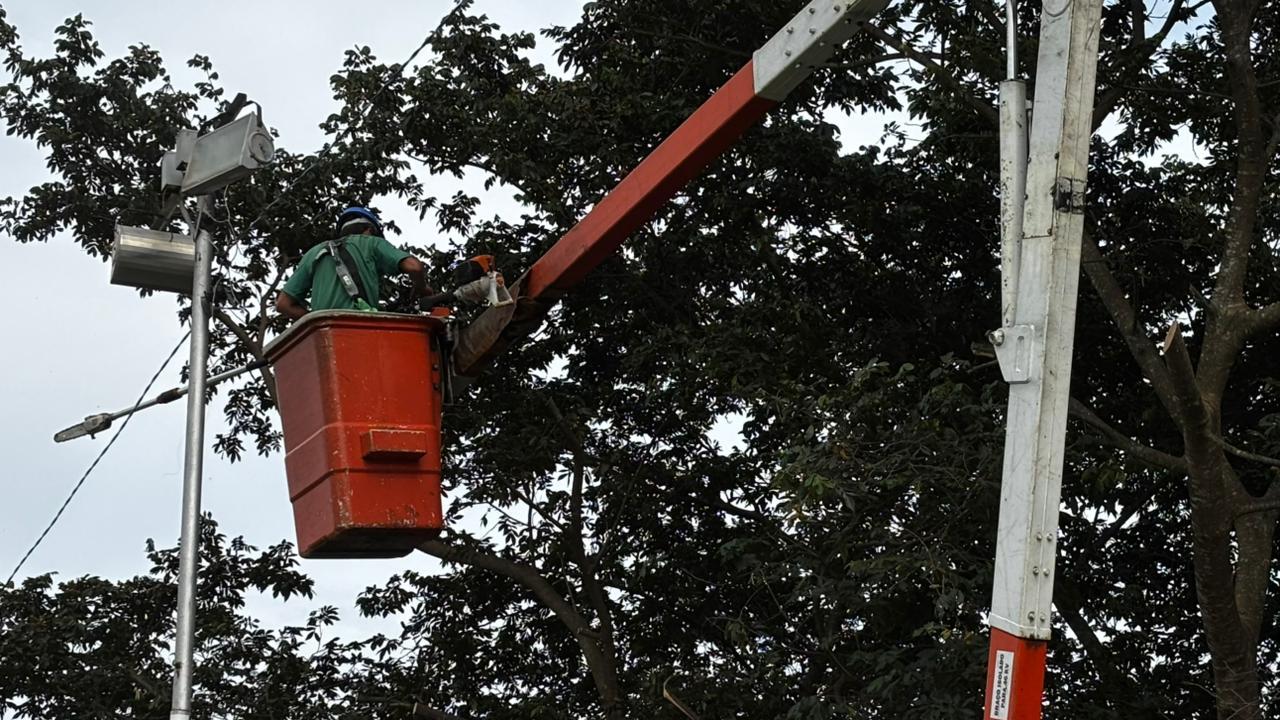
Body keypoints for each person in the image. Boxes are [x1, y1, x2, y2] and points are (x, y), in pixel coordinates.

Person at [276, 207, 431, 319]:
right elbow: (414, 267)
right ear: (369, 230)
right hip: (360, 329)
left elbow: (283, 304)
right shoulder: (371, 242)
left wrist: (318, 320)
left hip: (324, 335)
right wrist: (421, 288)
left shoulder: (314, 252)